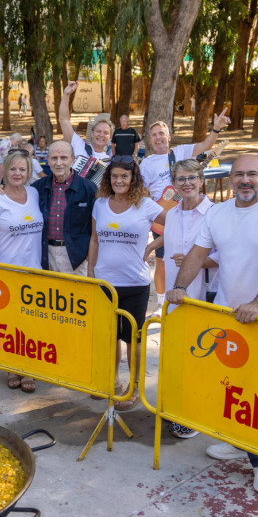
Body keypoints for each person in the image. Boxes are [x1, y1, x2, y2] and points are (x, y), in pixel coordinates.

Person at [166, 154, 258, 495]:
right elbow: (198, 254)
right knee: (230, 385)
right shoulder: (219, 214)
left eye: (252, 174)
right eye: (239, 174)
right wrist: (180, 287)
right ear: (229, 179)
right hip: (226, 315)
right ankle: (237, 441)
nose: (245, 180)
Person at [86, 155, 167, 411]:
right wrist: (91, 273)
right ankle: (112, 381)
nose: (119, 180)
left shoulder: (145, 205)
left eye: (124, 176)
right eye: (114, 176)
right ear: (108, 179)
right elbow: (94, 240)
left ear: (133, 179)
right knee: (109, 337)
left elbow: (177, 224)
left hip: (134, 283)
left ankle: (134, 387)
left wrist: (154, 245)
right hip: (105, 283)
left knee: (133, 339)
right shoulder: (100, 204)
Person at [140, 108, 230, 305]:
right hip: (163, 213)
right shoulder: (147, 163)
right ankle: (162, 301)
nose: (158, 138)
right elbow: (140, 191)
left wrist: (216, 129)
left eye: (161, 133)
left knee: (193, 250)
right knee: (163, 261)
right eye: (154, 135)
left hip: (187, 209)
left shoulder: (180, 152)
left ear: (169, 137)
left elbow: (206, 145)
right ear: (150, 140)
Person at [159, 158, 219, 438]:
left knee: (199, 355)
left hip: (202, 295)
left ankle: (193, 414)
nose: (187, 183)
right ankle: (174, 406)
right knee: (175, 353)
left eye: (192, 178)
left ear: (202, 181)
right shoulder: (172, 214)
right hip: (174, 296)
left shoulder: (216, 214)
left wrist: (198, 261)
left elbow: (225, 255)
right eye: (181, 179)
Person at [0, 149, 45, 392]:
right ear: (5, 170)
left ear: (29, 172)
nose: (17, 173)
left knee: (30, 323)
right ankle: (12, 367)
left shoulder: (34, 193)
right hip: (6, 272)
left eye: (22, 169)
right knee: (10, 324)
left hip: (34, 272)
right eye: (13, 169)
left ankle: (28, 367)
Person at [32, 140, 96, 275]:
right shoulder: (37, 188)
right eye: (54, 158)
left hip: (76, 257)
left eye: (64, 158)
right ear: (48, 159)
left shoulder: (88, 188)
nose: (59, 163)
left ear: (72, 159)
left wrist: (87, 257)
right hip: (45, 254)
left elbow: (95, 227)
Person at [58, 81, 111, 161]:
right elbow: (63, 120)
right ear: (92, 133)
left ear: (110, 137)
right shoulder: (78, 145)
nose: (101, 135)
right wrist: (66, 95)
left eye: (106, 133)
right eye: (98, 131)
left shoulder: (108, 162)